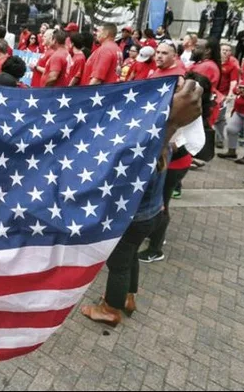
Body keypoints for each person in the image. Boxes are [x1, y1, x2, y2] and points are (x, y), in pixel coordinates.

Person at [81, 79, 203, 324]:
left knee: (118, 263)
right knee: (130, 256)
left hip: (135, 218)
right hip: (151, 213)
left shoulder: (145, 149)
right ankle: (128, 297)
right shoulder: (163, 143)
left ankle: (110, 310)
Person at [137, 72, 212, 265]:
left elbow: (184, 144)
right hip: (168, 163)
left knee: (162, 204)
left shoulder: (188, 112)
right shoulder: (174, 105)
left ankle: (156, 247)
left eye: (179, 86)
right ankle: (153, 233)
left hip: (174, 165)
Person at [214, 43, 240, 149]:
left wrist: (229, 95)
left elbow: (233, 82)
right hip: (212, 93)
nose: (225, 52)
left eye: (227, 50)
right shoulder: (214, 62)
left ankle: (219, 139)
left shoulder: (232, 66)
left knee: (220, 118)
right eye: (223, 50)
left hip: (223, 95)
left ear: (231, 53)